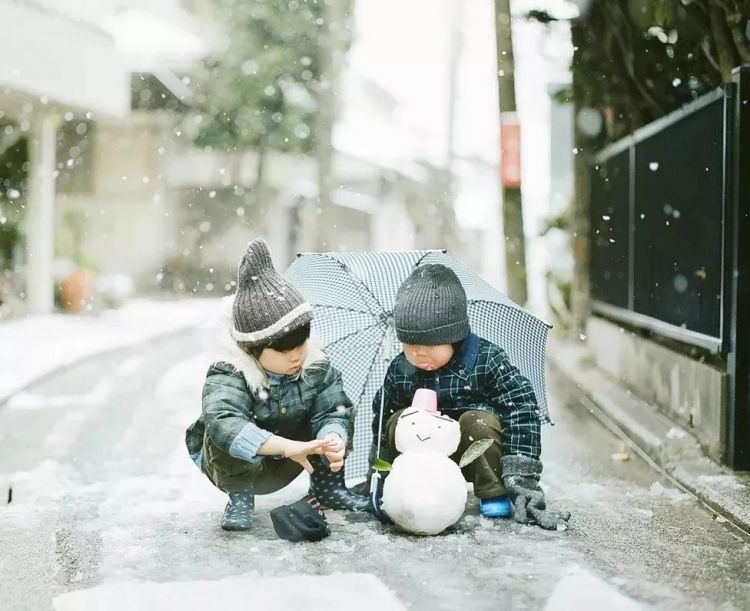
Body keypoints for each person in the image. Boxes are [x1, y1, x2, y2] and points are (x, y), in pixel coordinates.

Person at [186, 238, 369, 532]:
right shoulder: (230, 372)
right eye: (284, 350)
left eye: (301, 344)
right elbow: (224, 421)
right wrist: (286, 447)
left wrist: (333, 437)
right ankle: (240, 497)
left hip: (298, 457)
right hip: (241, 464)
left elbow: (335, 408)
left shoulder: (316, 368)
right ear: (251, 349)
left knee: (336, 413)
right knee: (225, 433)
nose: (297, 355)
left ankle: (328, 487)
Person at [372, 263, 569, 530]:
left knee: (478, 421)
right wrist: (380, 475)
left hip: (472, 457)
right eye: (409, 345)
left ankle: (492, 490)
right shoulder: (400, 369)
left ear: (453, 336)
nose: (418, 354)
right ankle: (411, 490)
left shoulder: (486, 360)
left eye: (429, 345)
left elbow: (520, 407)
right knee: (398, 420)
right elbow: (382, 419)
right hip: (422, 464)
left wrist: (521, 478)